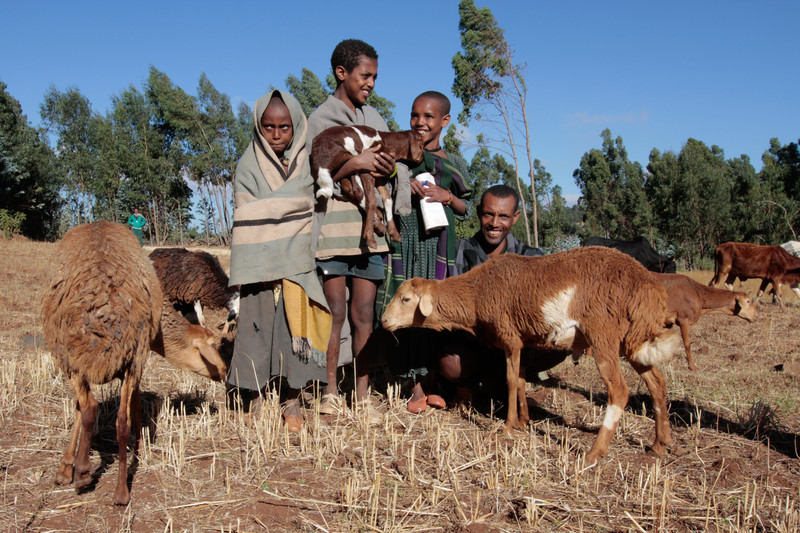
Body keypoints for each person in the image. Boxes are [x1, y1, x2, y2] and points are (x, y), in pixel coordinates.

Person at [226, 90, 331, 433]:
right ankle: (254, 394)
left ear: (297, 126)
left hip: (297, 262)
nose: (276, 134)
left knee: (294, 329)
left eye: (284, 127)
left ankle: (292, 398)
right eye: (268, 126)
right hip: (259, 265)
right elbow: (249, 216)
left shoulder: (307, 163)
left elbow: (311, 205)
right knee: (256, 330)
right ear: (258, 127)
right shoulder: (247, 165)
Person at [308, 39, 396, 422]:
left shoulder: (375, 120)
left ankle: (361, 395)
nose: (371, 82)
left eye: (375, 76)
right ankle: (329, 390)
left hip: (370, 237)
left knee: (364, 314)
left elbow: (392, 167)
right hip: (332, 235)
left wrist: (386, 167)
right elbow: (315, 171)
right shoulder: (320, 119)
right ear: (342, 74)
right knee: (334, 313)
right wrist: (357, 161)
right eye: (365, 74)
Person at [375, 91, 472, 414]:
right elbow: (381, 187)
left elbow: (466, 208)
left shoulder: (452, 164)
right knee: (404, 311)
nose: (420, 122)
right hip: (405, 242)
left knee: (433, 314)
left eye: (429, 117)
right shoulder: (400, 157)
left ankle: (432, 381)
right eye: (415, 115)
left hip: (437, 246)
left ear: (444, 121)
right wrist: (404, 184)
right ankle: (411, 385)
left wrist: (447, 197)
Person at [439, 185, 567, 404]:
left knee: (562, 344)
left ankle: (507, 382)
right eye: (489, 214)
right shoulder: (457, 251)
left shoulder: (532, 257)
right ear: (479, 212)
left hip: (520, 347)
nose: (495, 223)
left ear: (515, 218)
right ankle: (468, 384)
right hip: (474, 344)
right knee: (450, 364)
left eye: (503, 216)